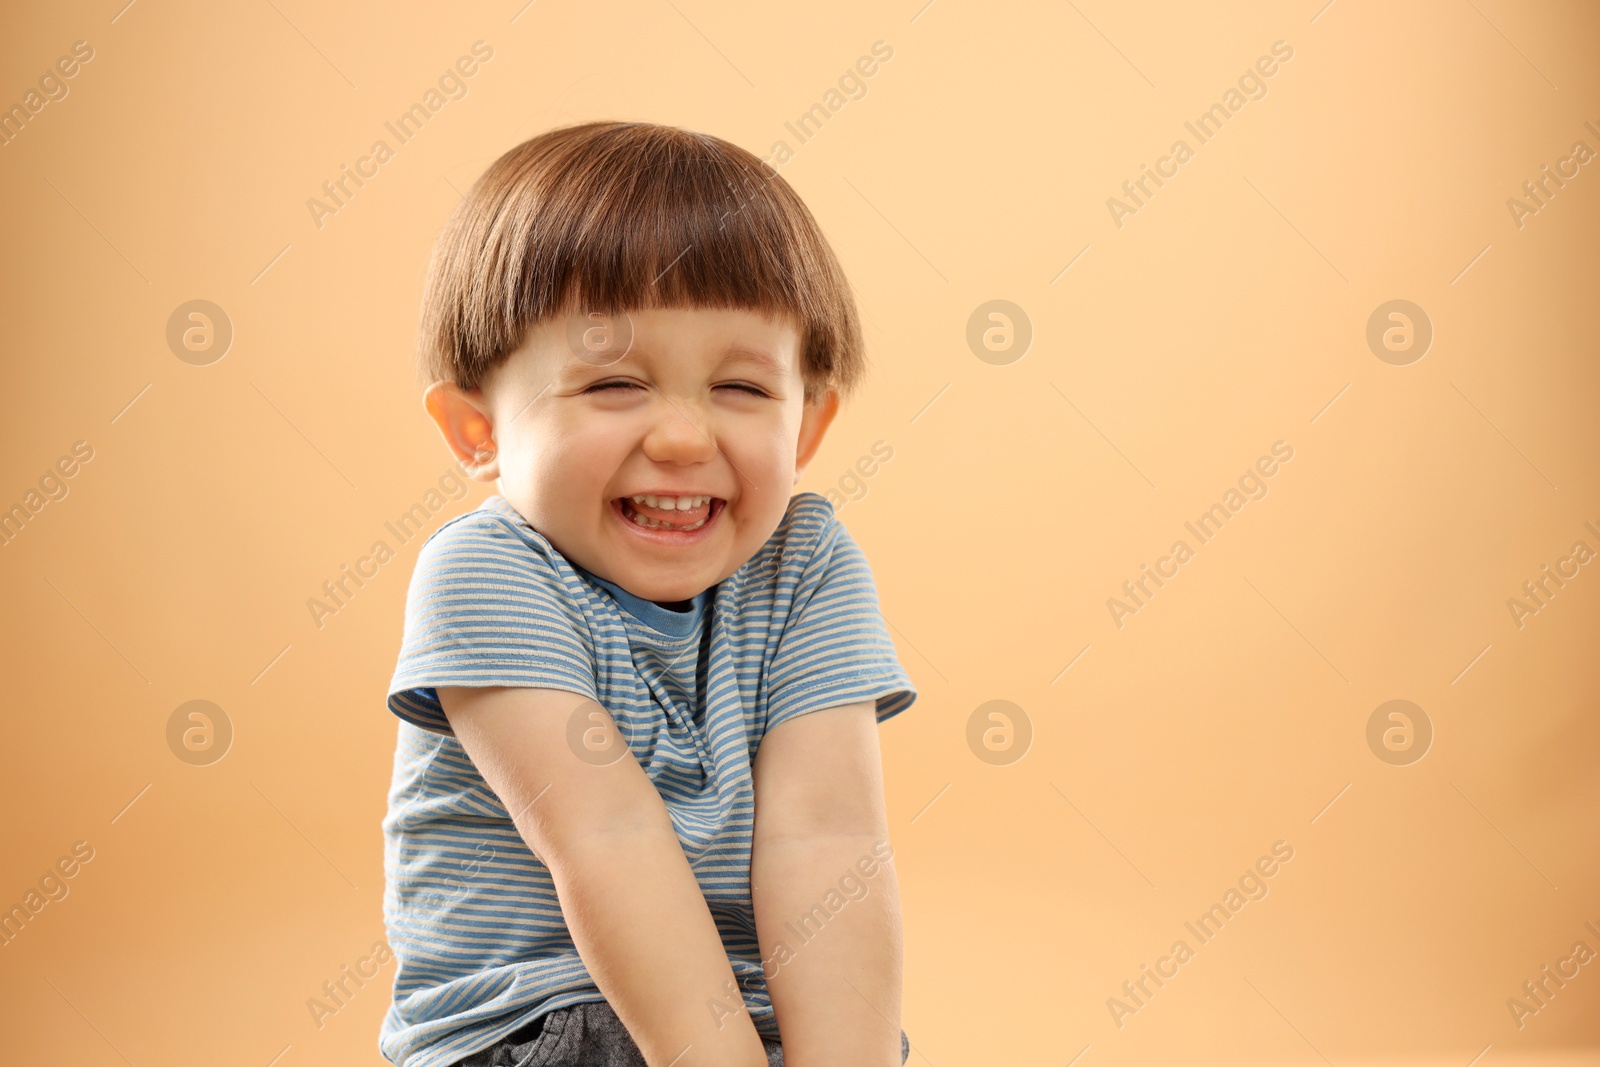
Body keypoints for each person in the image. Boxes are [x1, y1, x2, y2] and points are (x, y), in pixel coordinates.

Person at [382, 120, 918, 1067]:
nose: (681, 437)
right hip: (541, 1024)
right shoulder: (486, 572)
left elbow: (828, 839)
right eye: (617, 382)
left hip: (751, 1023)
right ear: (478, 429)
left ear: (807, 426)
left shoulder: (809, 565)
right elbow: (604, 835)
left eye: (743, 389)